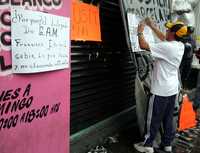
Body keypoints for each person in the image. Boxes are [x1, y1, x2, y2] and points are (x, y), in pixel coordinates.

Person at [134, 18, 187, 153]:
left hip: (160, 91)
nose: (166, 31)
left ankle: (147, 145)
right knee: (168, 118)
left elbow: (143, 45)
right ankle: (167, 144)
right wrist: (152, 27)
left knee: (153, 119)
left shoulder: (167, 47)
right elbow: (164, 38)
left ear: (173, 34)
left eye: (169, 29)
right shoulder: (179, 45)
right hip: (172, 90)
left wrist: (140, 31)